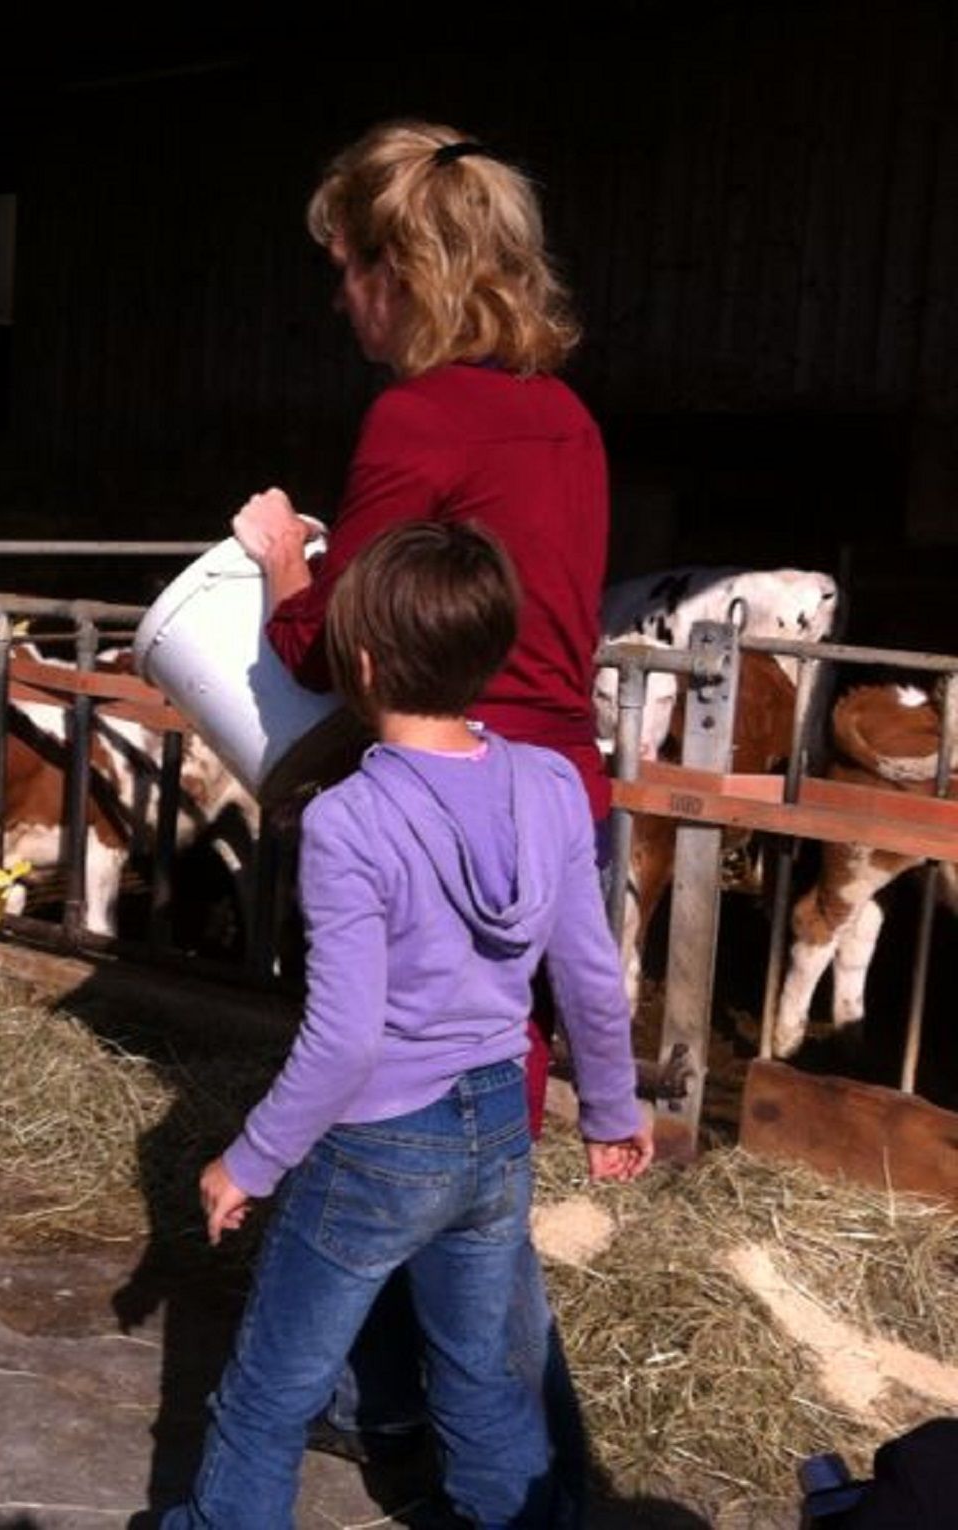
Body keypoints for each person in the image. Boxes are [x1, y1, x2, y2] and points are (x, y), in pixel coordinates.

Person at [230, 119, 614, 1501]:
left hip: (444, 794)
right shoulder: (564, 413)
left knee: (437, 1130)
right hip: (560, 792)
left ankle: (540, 1485)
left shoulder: (418, 413)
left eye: (347, 269)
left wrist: (285, 566)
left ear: (403, 269)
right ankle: (385, 1402)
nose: (341, 300)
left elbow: (345, 642)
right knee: (472, 1118)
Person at [163, 522, 651, 1529]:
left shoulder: (347, 820)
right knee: (480, 1377)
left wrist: (248, 1161)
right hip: (494, 1134)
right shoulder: (551, 786)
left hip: (381, 1140)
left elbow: (341, 1038)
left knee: (269, 1389)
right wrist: (609, 1109)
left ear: (365, 663)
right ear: (487, 653)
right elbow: (589, 976)